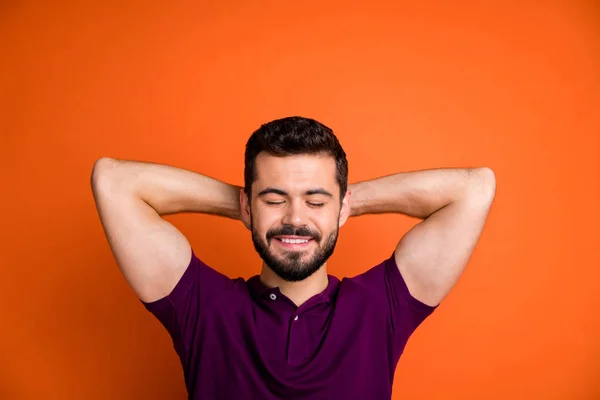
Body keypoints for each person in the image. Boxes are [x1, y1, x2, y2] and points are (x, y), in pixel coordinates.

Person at [91, 116, 496, 399]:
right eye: (274, 199)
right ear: (247, 206)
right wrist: (254, 206)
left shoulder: (381, 307)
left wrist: (336, 206)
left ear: (341, 207)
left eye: (315, 201)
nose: (295, 219)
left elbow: (475, 188)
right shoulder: (204, 307)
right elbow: (114, 180)